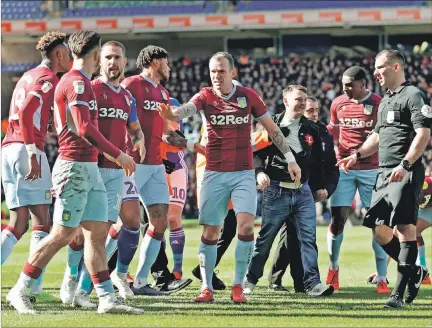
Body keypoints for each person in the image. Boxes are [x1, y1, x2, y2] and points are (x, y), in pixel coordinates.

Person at [6, 30, 142, 315]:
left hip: (89, 167)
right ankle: (20, 289)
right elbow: (84, 128)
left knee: (96, 234)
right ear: (96, 55)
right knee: (62, 234)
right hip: (73, 168)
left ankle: (105, 298)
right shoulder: (76, 82)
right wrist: (118, 154)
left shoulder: (81, 83)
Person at [158, 52, 301, 303]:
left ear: (233, 72)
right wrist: (173, 114)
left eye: (221, 71)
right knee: (212, 231)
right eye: (213, 71)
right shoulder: (205, 95)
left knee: (245, 225)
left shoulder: (248, 96)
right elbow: (187, 109)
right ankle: (206, 288)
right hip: (213, 172)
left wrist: (290, 158)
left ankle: (238, 285)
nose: (216, 75)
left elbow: (272, 130)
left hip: (243, 172)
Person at [337, 49, 431, 308]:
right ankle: (414, 272)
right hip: (382, 173)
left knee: (404, 230)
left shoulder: (413, 95)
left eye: (380, 67)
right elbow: (376, 137)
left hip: (405, 171)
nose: (376, 72)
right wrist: (356, 155)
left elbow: (423, 134)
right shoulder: (385, 101)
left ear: (396, 67)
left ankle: (398, 295)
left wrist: (406, 164)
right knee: (379, 232)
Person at [59, 40, 146, 306]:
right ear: (100, 60)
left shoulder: (127, 96)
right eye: (107, 57)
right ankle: (71, 277)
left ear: (125, 61)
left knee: (103, 232)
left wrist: (140, 138)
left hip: (115, 172)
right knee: (77, 234)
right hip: (91, 167)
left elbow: (134, 127)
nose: (112, 62)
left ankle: (85, 290)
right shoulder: (92, 89)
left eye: (117, 57)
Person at [120, 45, 202, 296]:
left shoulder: (164, 94)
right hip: (132, 164)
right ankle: (99, 279)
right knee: (118, 225)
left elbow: (168, 132)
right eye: (166, 62)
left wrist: (195, 146)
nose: (169, 67)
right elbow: (116, 117)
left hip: (155, 166)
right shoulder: (131, 84)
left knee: (159, 222)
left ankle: (141, 282)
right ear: (155, 62)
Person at [244, 85, 333, 297]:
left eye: (304, 99)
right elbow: (255, 153)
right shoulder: (270, 124)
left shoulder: (312, 128)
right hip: (276, 191)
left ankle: (313, 284)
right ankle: (250, 280)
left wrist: (320, 188)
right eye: (298, 99)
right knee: (266, 239)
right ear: (285, 101)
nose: (302, 103)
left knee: (308, 239)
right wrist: (259, 173)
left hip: (302, 192)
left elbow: (318, 162)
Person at [1, 32, 70, 297]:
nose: (70, 59)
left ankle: (33, 287)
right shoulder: (48, 78)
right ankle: (33, 288)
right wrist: (32, 151)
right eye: (67, 54)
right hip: (25, 150)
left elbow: (23, 111)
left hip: (8, 148)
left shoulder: (27, 76)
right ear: (58, 55)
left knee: (18, 223)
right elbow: (27, 111)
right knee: (43, 221)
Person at [326, 66, 390, 294]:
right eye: (343, 85)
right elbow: (333, 132)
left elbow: (383, 137)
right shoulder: (338, 103)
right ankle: (333, 269)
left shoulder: (379, 103)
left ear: (363, 83)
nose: (344, 89)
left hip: (371, 169)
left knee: (378, 224)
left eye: (349, 85)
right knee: (338, 221)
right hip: (343, 169)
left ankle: (382, 277)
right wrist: (330, 150)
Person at [267, 96, 339, 292]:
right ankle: (302, 283)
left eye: (316, 110)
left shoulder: (323, 133)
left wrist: (326, 190)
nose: (314, 114)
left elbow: (332, 168)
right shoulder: (289, 129)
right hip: (289, 189)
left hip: (310, 193)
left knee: (294, 236)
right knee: (296, 236)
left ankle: (279, 279)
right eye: (310, 111)